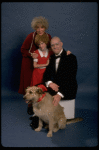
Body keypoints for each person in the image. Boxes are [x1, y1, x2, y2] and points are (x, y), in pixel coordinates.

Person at [43, 36, 78, 119]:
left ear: (61, 44)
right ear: (51, 47)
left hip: (67, 89)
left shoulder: (71, 57)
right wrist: (50, 83)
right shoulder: (51, 58)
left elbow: (70, 78)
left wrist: (59, 94)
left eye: (57, 44)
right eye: (52, 45)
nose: (55, 47)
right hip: (54, 87)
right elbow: (46, 75)